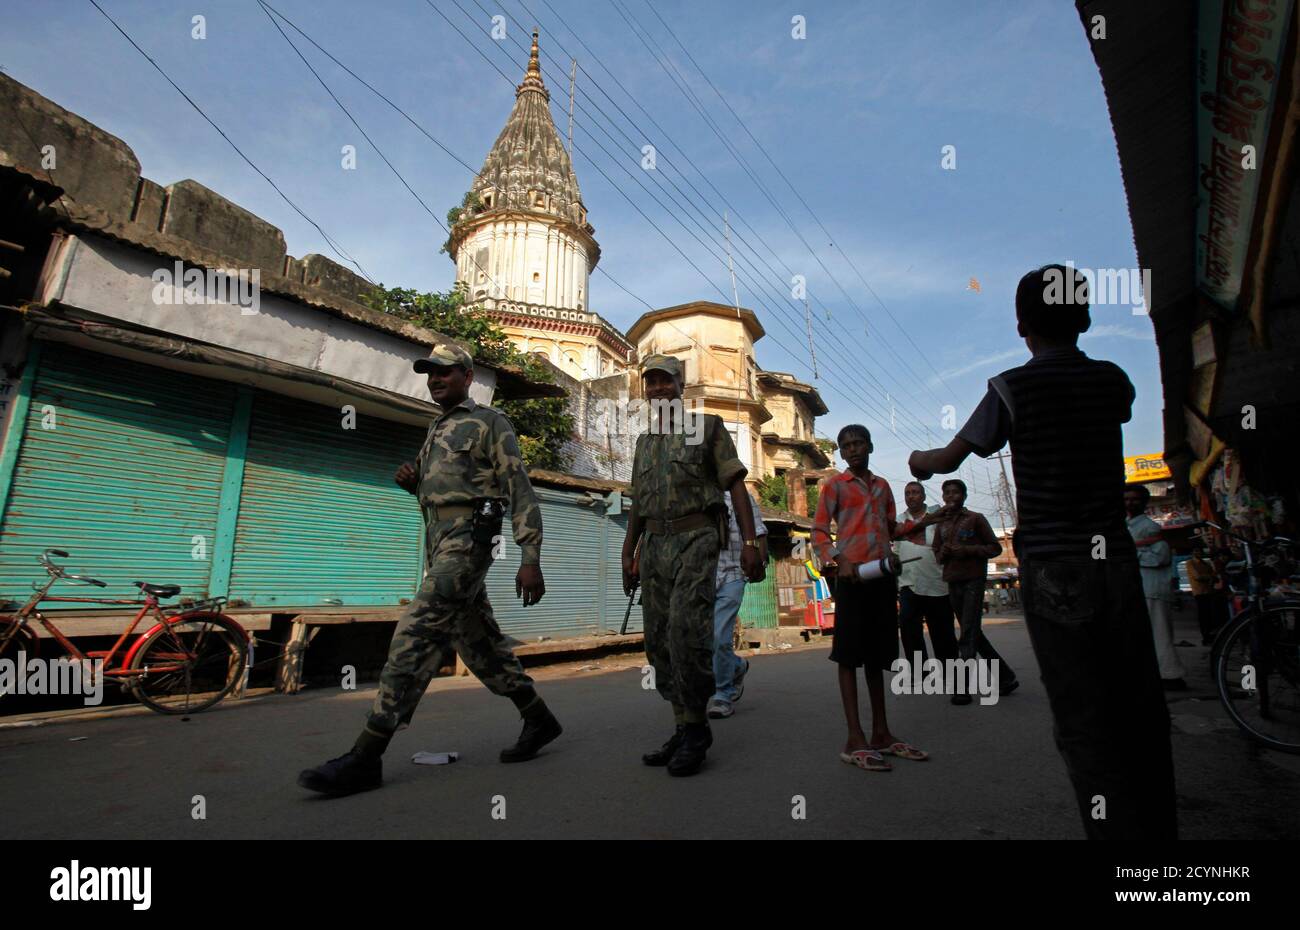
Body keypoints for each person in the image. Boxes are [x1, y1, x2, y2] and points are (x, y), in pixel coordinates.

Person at [907, 263, 1177, 839]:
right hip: (1116, 563)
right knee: (1138, 707)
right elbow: (1118, 413)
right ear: (1083, 316)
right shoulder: (1112, 380)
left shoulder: (1012, 387)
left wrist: (917, 462)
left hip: (1054, 566)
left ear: (1021, 323)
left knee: (1082, 718)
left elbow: (950, 459)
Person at [298, 343, 561, 796]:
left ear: (466, 375)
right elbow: (435, 487)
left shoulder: (490, 422)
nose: (435, 379)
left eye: (444, 372)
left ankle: (367, 754)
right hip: (437, 541)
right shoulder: (436, 426)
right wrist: (411, 481)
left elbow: (518, 488)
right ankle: (539, 719)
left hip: (468, 542)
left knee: (414, 635)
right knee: (478, 644)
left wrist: (530, 557)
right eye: (429, 374)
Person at [622, 354, 763, 777]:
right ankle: (682, 726)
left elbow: (735, 485)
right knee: (659, 642)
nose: (659, 389)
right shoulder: (645, 442)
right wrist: (629, 552)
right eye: (652, 382)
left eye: (666, 381)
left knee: (687, 635)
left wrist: (751, 541)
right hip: (655, 545)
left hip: (698, 541)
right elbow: (638, 505)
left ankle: (698, 731)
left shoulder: (708, 428)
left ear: (681, 385)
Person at [813, 424, 929, 773]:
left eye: (858, 443)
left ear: (870, 446)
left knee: (877, 656)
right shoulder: (834, 485)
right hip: (852, 578)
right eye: (846, 445)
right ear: (842, 452)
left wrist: (926, 521)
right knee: (848, 656)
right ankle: (854, 738)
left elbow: (890, 528)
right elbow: (819, 531)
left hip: (882, 576)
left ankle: (881, 733)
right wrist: (840, 559)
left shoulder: (882, 487)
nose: (853, 449)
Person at [931, 478, 1019, 704]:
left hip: (973, 579)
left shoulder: (975, 519)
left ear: (964, 496)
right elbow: (937, 553)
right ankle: (1005, 677)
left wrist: (967, 550)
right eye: (947, 493)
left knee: (967, 633)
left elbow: (994, 547)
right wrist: (946, 553)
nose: (951, 496)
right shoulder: (941, 524)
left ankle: (963, 687)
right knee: (973, 633)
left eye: (955, 492)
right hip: (953, 580)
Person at [707, 489, 768, 719]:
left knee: (719, 635)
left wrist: (761, 561)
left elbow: (759, 531)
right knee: (703, 640)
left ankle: (723, 694)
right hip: (700, 577)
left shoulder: (740, 496)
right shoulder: (693, 494)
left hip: (732, 574)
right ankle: (737, 667)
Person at [1125, 485, 1186, 688]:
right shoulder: (1129, 525)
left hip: (1153, 587)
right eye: (1126, 499)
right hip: (1140, 587)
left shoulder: (1149, 526)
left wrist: (1132, 553)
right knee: (1146, 633)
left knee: (1160, 633)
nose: (1129, 503)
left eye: (1134, 499)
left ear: (1144, 502)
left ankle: (1171, 675)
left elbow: (1160, 556)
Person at [893, 481, 958, 664]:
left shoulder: (936, 518)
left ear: (923, 496)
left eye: (915, 492)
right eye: (907, 493)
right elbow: (896, 550)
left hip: (936, 583)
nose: (911, 496)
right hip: (908, 584)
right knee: (908, 628)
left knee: (942, 631)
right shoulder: (899, 521)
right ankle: (920, 670)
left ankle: (950, 671)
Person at [1186, 545, 1226, 645]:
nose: (1198, 553)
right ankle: (1206, 637)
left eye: (1199, 551)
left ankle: (1210, 636)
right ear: (1192, 553)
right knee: (1203, 615)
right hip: (1199, 592)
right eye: (1196, 551)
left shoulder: (1206, 563)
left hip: (1208, 591)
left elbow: (1214, 576)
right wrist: (1210, 577)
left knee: (1210, 615)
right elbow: (1197, 577)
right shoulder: (1190, 563)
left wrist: (1210, 577)